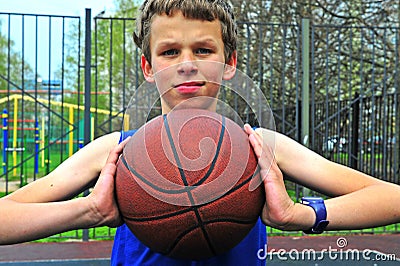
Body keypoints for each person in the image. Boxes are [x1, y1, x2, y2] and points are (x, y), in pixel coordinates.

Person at [0, 0, 399, 265]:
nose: (187, 64)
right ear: (148, 68)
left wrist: (301, 214)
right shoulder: (115, 152)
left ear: (230, 64)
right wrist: (87, 210)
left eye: (204, 51)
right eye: (170, 52)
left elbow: (392, 199)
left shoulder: (260, 146)